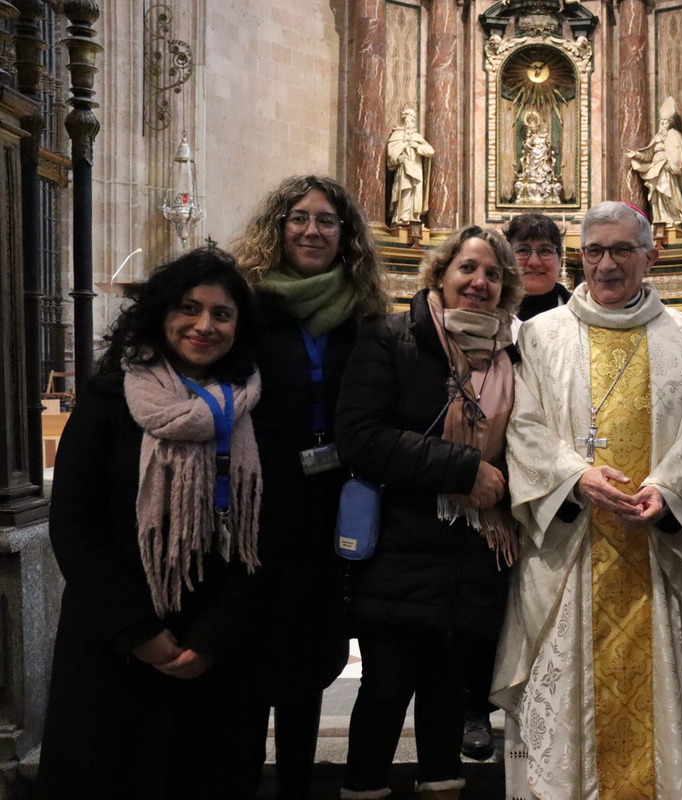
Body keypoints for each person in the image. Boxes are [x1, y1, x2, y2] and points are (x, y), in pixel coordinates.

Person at [493, 200, 682, 800]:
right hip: (571, 553)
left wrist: (669, 492)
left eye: (621, 250)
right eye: (594, 251)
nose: (606, 265)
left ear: (650, 256)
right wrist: (576, 478)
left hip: (655, 556)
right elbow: (522, 427)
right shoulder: (539, 336)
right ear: (579, 258)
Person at [39, 248, 264, 800]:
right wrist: (138, 631)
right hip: (115, 645)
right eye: (190, 308)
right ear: (163, 313)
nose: (204, 325)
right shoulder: (109, 397)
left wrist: (213, 636)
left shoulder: (258, 409)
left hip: (217, 651)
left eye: (222, 313)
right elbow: (74, 520)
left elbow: (272, 533)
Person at [336, 225, 522, 800]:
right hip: (401, 542)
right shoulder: (391, 338)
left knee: (449, 690)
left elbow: (530, 443)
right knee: (387, 686)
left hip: (476, 551)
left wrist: (502, 484)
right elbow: (360, 437)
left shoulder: (514, 355)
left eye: (493, 274)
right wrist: (462, 469)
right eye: (467, 268)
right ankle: (364, 788)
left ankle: (443, 786)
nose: (479, 282)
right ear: (440, 274)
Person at [231, 174, 388, 799]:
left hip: (336, 503)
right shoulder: (246, 307)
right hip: (259, 501)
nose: (312, 231)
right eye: (299, 218)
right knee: (249, 651)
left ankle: (296, 782)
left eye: (327, 221)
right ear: (279, 227)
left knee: (312, 653)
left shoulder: (364, 315)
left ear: (345, 234)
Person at [458, 212, 573, 762]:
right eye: (522, 250)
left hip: (561, 478)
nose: (534, 260)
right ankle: (474, 706)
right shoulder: (485, 317)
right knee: (486, 604)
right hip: (494, 482)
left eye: (545, 249)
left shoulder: (582, 314)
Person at [626, 97, 682, 228]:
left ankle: (675, 217)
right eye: (661, 121)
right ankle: (660, 218)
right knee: (656, 194)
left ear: (670, 123)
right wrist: (637, 154)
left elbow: (679, 153)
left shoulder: (674, 135)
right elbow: (649, 153)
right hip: (656, 168)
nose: (663, 124)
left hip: (667, 168)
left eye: (666, 122)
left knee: (669, 192)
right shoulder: (657, 137)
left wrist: (672, 164)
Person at [387, 108, 435, 227]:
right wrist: (398, 158)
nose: (412, 120)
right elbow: (391, 151)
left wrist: (417, 147)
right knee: (405, 190)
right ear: (404, 118)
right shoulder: (397, 134)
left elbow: (430, 151)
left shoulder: (416, 137)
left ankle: (414, 217)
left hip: (416, 169)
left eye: (413, 118)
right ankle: (403, 217)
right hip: (404, 168)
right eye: (410, 117)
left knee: (416, 193)